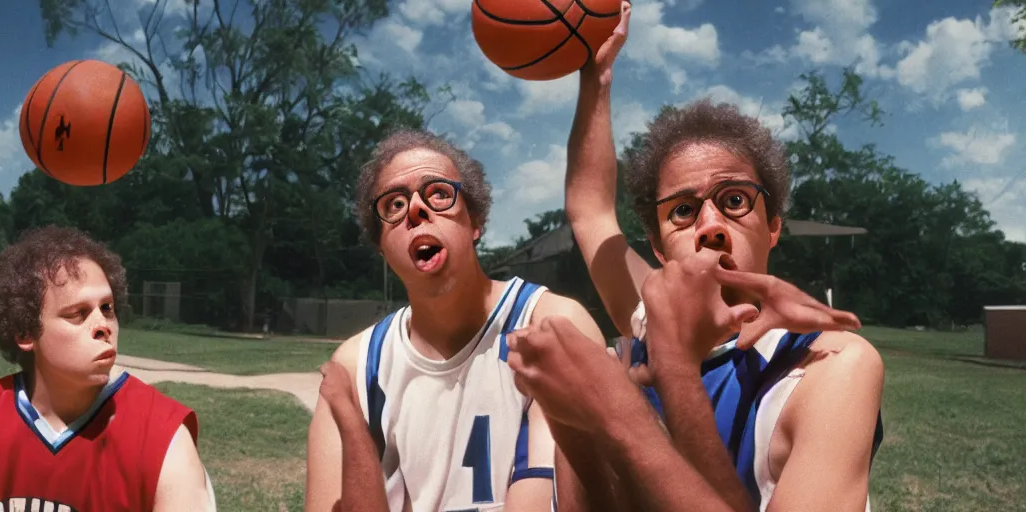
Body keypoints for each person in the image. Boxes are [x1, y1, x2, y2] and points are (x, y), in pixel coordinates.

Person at [508, 2, 886, 511]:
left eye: (734, 200)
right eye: (683, 210)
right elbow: (590, 210)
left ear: (773, 225)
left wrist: (634, 402)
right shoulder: (648, 321)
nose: (709, 226)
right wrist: (595, 76)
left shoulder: (829, 365)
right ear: (661, 248)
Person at [304, 129, 608, 512]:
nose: (416, 209)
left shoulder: (552, 325)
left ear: (475, 222)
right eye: (394, 204)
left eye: (439, 194)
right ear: (381, 246)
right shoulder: (354, 368)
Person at [0, 226, 216, 512]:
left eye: (107, 307)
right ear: (24, 333)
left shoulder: (163, 437)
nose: (102, 326)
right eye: (77, 314)